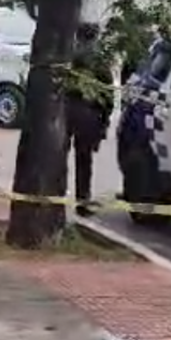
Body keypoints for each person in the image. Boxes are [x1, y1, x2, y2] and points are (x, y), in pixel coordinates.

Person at [66, 23, 115, 216]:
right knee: (84, 159)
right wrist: (106, 117)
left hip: (67, 110)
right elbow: (108, 92)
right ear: (95, 37)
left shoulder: (68, 55)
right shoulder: (99, 60)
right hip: (89, 113)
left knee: (58, 155)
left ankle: (52, 194)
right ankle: (83, 201)